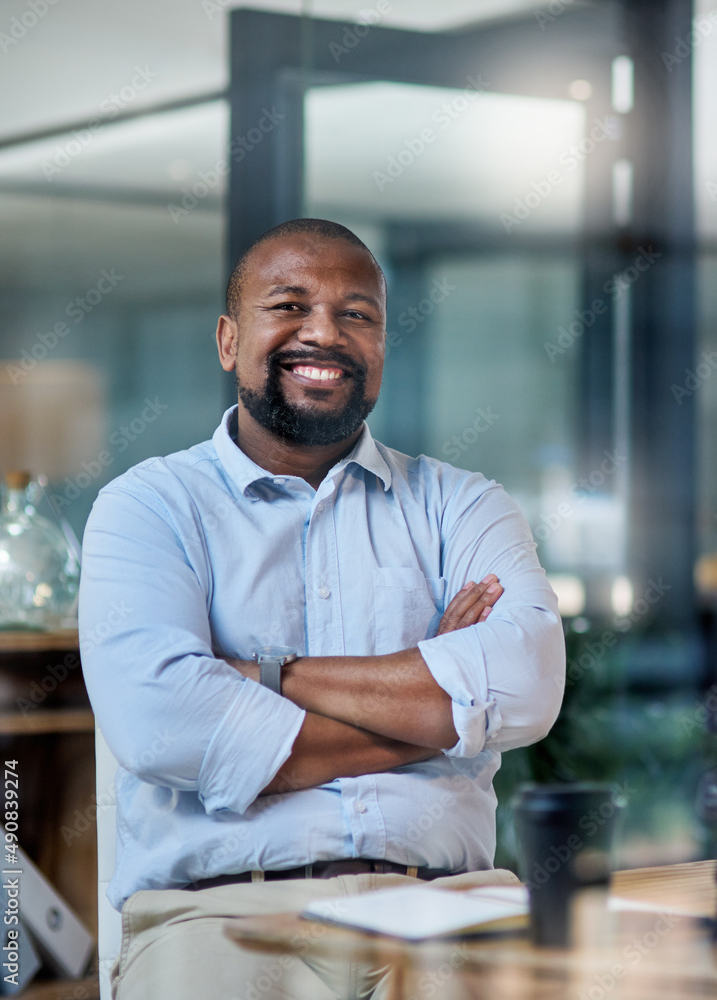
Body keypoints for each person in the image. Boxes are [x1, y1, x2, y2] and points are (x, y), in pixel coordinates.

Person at [79, 218, 565, 999]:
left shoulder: (463, 504)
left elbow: (524, 687)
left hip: (450, 906)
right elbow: (163, 724)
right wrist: (433, 712)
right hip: (221, 913)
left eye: (357, 314)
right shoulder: (148, 506)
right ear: (228, 340)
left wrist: (261, 676)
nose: (324, 333)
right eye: (289, 305)